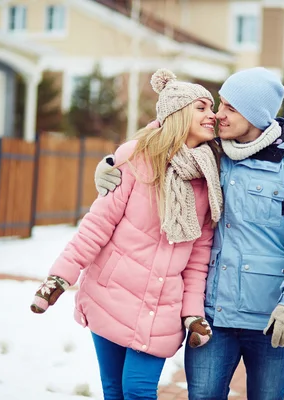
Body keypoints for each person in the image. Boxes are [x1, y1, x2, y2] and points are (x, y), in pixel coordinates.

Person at [95, 67, 284, 399]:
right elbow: (162, 133)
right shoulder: (211, 153)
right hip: (211, 317)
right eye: (220, 104)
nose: (218, 115)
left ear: (255, 115)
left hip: (269, 318)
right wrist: (109, 163)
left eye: (230, 108)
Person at [30, 69, 225, 400]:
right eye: (202, 108)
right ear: (177, 114)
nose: (213, 116)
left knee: (137, 390)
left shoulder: (209, 179)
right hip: (111, 293)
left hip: (160, 306)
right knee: (114, 391)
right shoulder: (138, 159)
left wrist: (192, 312)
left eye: (213, 108)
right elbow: (97, 225)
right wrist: (59, 277)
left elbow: (198, 257)